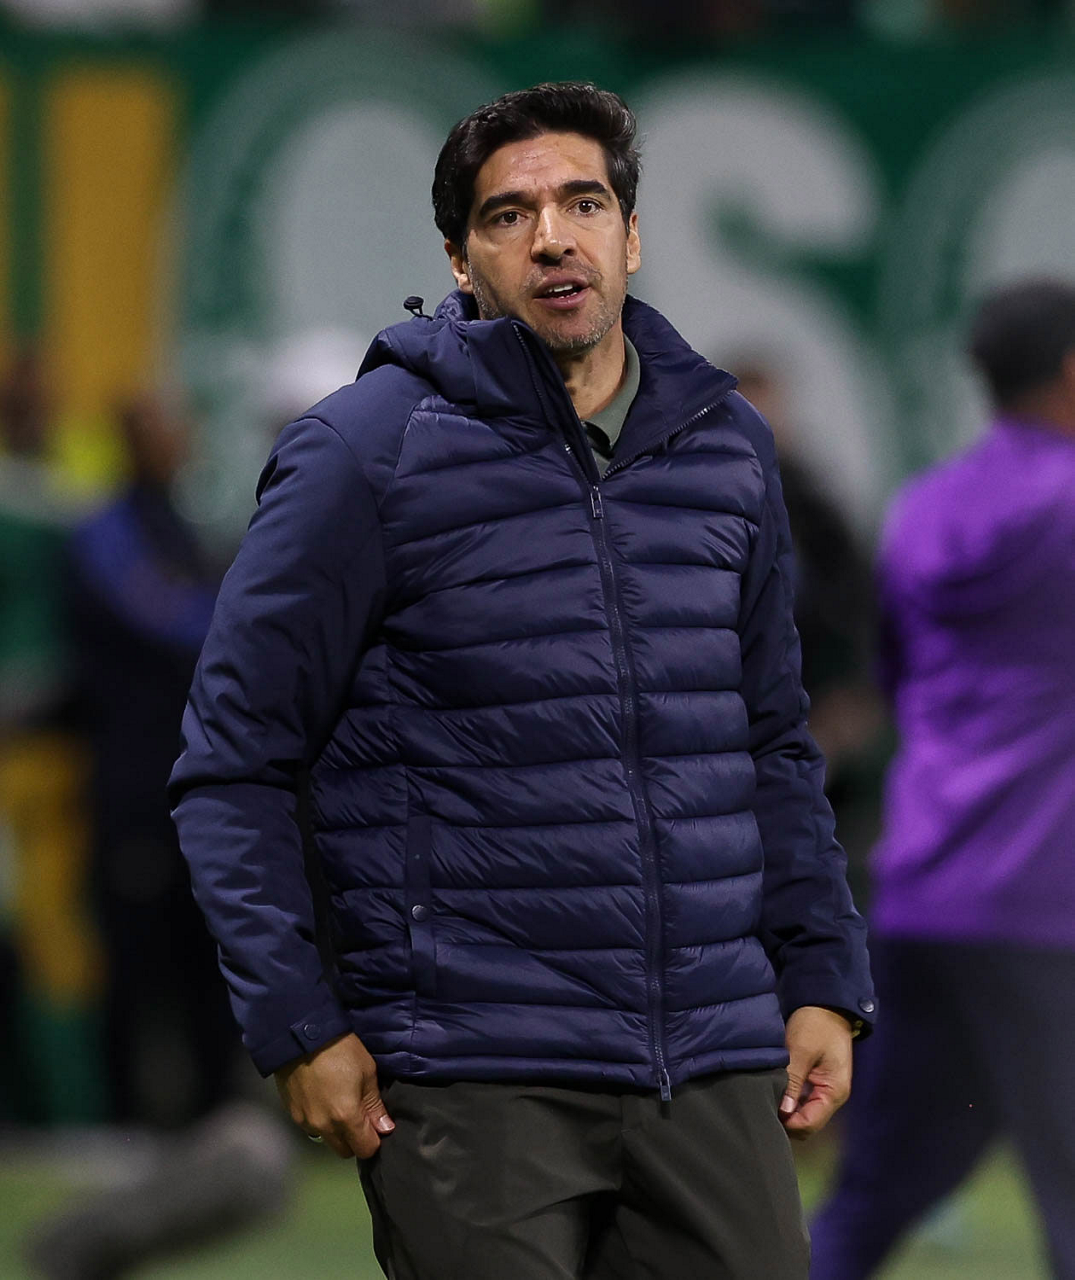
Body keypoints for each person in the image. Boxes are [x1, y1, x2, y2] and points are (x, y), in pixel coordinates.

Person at [170, 82, 874, 1279]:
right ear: (459, 260)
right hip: (471, 1065)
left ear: (630, 236)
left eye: (583, 203)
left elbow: (768, 740)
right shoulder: (362, 453)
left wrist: (819, 973)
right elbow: (232, 763)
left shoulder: (728, 447)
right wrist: (298, 1022)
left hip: (704, 1055)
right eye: (508, 215)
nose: (552, 236)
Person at [810, 278, 1075, 1280]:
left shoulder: (924, 504)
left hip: (923, 897)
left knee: (873, 1192)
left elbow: (894, 677)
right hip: (1048, 908)